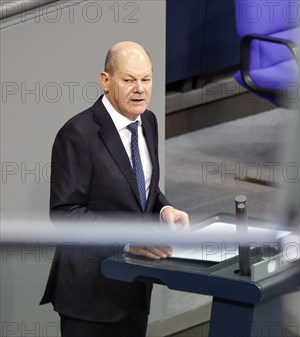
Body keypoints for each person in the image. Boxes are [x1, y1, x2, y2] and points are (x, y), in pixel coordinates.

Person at [40, 41, 189, 337]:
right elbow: (65, 214)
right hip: (90, 298)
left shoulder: (148, 121)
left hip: (135, 288)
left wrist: (164, 209)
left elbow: (142, 187)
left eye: (146, 79)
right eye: (129, 80)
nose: (140, 89)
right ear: (105, 81)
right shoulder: (78, 135)